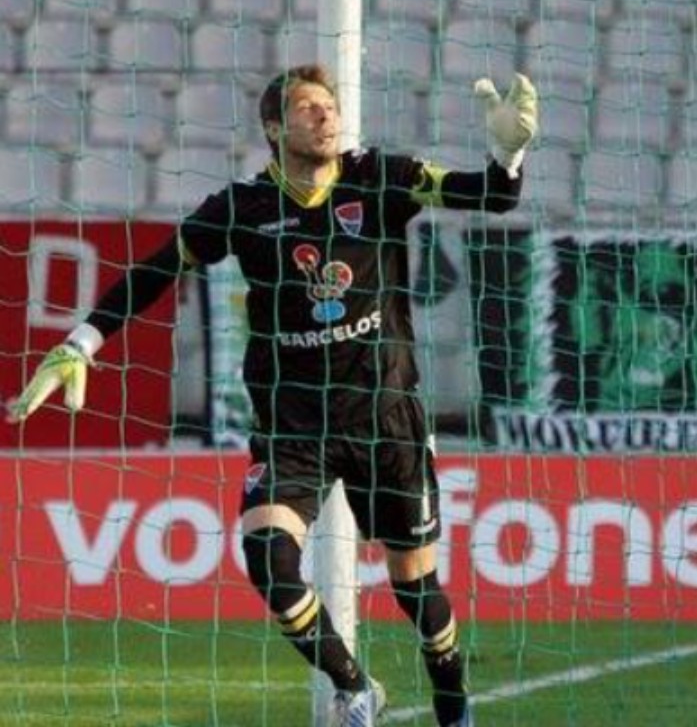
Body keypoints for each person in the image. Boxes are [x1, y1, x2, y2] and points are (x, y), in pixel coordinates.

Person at [10, 64, 538, 726]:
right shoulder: (242, 208)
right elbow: (154, 272)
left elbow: (491, 196)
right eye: (308, 107)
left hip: (385, 419)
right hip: (293, 426)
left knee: (415, 588)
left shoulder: (381, 176)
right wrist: (79, 343)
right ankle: (353, 687)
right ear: (273, 127)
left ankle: (453, 704)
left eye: (329, 105)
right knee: (267, 557)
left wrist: (507, 152)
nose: (325, 116)